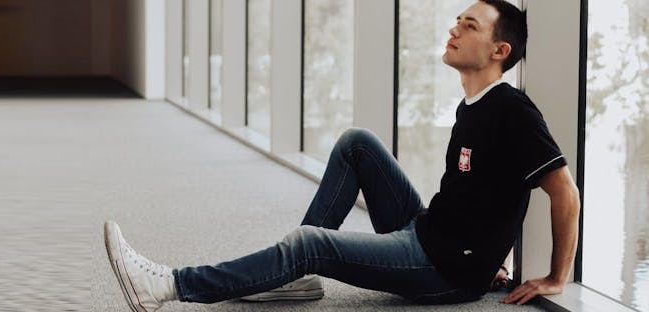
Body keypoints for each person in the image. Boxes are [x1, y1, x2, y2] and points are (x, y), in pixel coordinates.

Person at [103, 0, 580, 311]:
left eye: (469, 25)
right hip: (434, 233)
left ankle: (168, 285)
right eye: (457, 19)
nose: (453, 28)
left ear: (500, 49)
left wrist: (557, 277)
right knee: (358, 142)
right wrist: (492, 254)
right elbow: (488, 194)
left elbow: (564, 193)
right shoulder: (472, 105)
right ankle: (294, 279)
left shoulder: (512, 110)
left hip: (442, 268)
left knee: (310, 243)